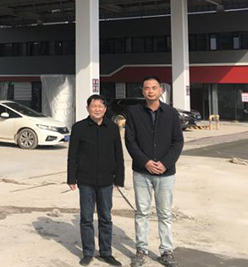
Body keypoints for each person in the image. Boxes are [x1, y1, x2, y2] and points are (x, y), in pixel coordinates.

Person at [125, 77, 184, 267]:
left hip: (165, 173)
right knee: (142, 212)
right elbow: (130, 141)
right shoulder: (134, 112)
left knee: (164, 213)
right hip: (141, 172)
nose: (150, 91)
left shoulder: (171, 113)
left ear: (160, 90)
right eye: (146, 88)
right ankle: (141, 250)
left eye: (154, 88)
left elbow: (178, 141)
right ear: (142, 91)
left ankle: (166, 251)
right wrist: (145, 162)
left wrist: (165, 163)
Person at [67, 94, 125, 266]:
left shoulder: (112, 128)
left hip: (106, 180)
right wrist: (71, 177)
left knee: (105, 217)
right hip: (85, 180)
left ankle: (106, 252)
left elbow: (118, 154)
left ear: (105, 109)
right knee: (86, 218)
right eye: (94, 106)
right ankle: (88, 252)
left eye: (100, 106)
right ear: (88, 108)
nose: (97, 109)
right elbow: (72, 154)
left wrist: (119, 178)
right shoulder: (79, 128)